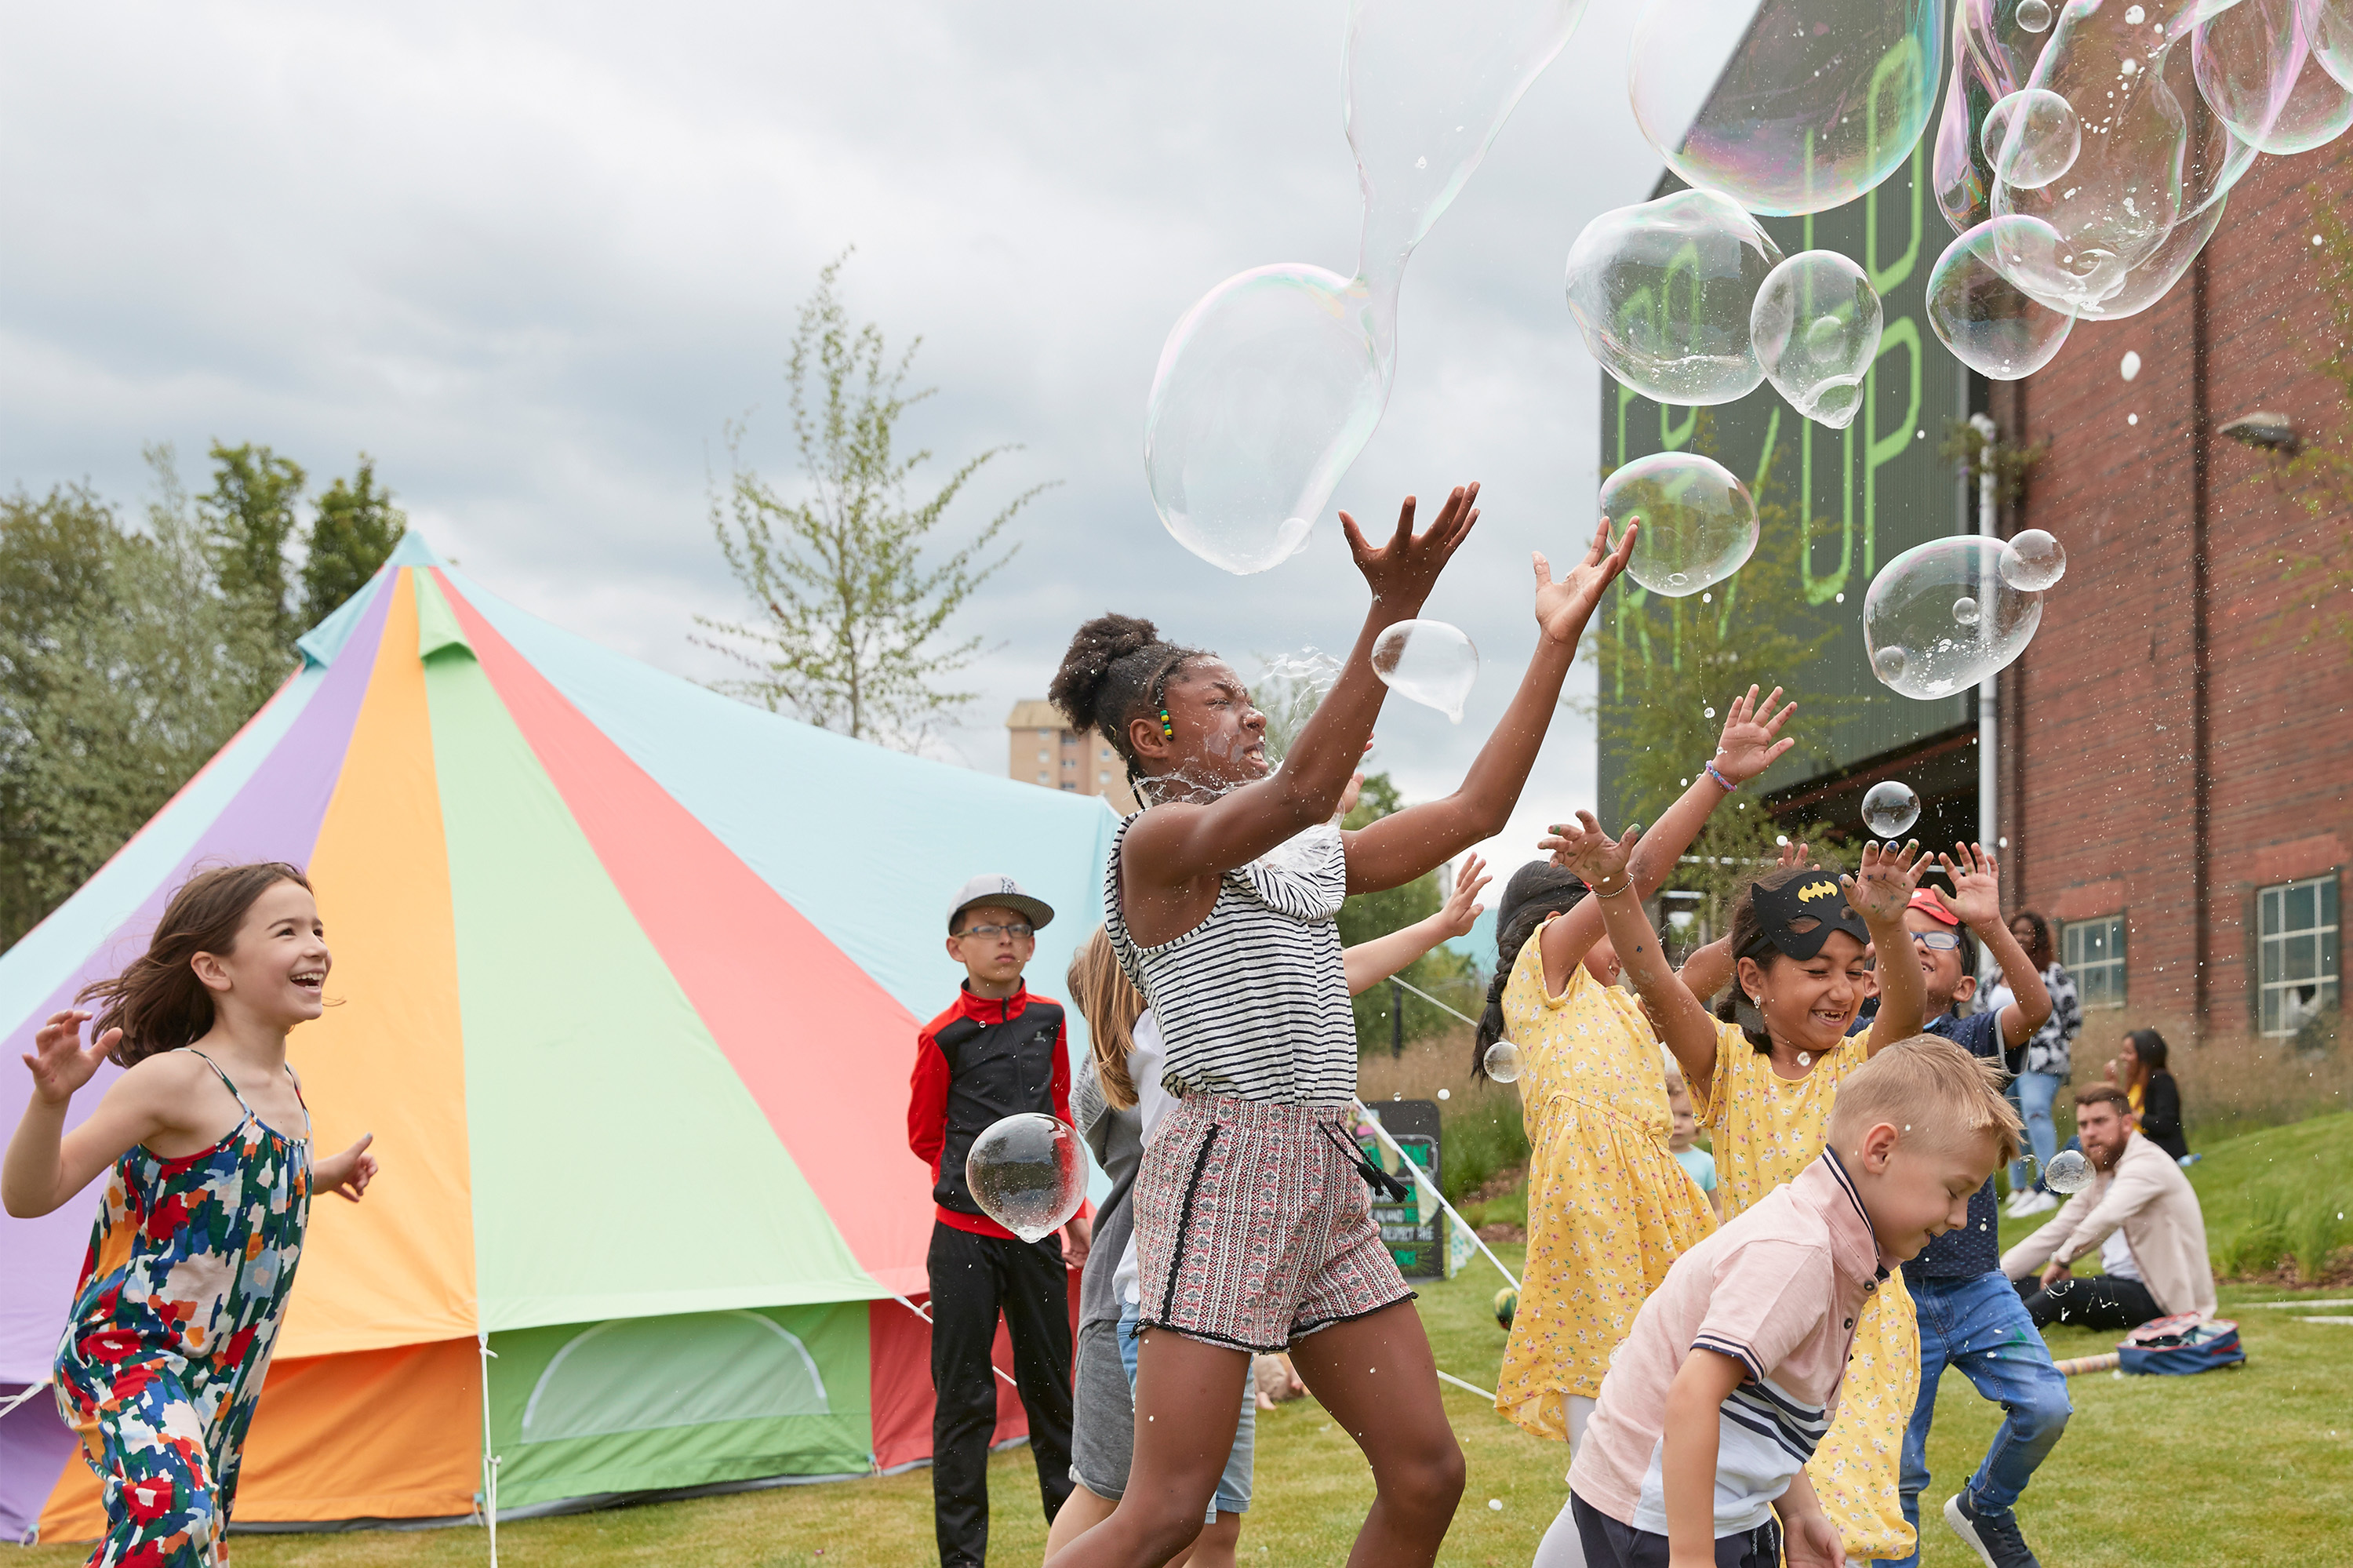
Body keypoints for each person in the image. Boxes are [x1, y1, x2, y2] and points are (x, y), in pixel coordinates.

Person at [1042, 486, 1635, 1568]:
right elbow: (1310, 786)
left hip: (1325, 1159)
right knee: (1168, 1511)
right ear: (1152, 730)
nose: (1256, 711)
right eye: (1227, 699)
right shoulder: (1155, 845)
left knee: (1427, 1474)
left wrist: (1553, 642)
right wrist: (1392, 607)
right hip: (1221, 1169)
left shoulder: (1300, 849)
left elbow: (1472, 814)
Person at [1049, 861, 1491, 1567]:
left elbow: (1326, 976)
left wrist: (1437, 925)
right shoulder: (1165, 1040)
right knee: (1163, 1519)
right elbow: (1333, 972)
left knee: (1206, 1524)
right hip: (1175, 1296)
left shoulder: (1186, 1032)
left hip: (1248, 1277)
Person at [1548, 811, 1931, 1565]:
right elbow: (1655, 980)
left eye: (1855, 971)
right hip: (1748, 1320)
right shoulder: (1727, 1067)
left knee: (1841, 1526)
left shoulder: (1863, 1071)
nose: (1842, 990)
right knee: (1727, 1500)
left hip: (1849, 1336)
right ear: (1754, 980)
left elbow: (1910, 1014)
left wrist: (1890, 930)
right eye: (1818, 970)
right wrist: (1613, 886)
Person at [2, 864, 380, 1566]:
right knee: (178, 1516)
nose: (317, 946)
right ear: (214, 968)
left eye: (318, 929)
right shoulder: (176, 1079)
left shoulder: (286, 1089)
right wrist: (50, 1103)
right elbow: (31, 1194)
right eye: (287, 931)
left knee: (192, 1545)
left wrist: (323, 1175)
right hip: (127, 1351)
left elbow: (248, 1180)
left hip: (228, 1369)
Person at [1566, 1037, 2025, 1568]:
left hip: (1712, 1506)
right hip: (1663, 1519)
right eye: (1955, 1190)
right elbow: (1691, 1396)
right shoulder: (1797, 1253)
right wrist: (1692, 1556)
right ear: (1879, 1150)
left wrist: (1801, 1510)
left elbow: (1763, 1402)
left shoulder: (1835, 1249)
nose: (1961, 1218)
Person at [1479, 689, 1791, 1464]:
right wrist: (1716, 776)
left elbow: (1701, 970)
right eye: (1609, 923)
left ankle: (1627, 1522)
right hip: (1590, 1184)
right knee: (1614, 1371)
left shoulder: (1618, 1003)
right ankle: (1608, 1518)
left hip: (1651, 1180)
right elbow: (1638, 878)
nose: (1624, 942)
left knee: (1681, 1359)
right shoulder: (1545, 967)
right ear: (1560, 915)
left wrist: (1769, 915)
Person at [1882, 851, 2068, 1568]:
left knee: (2046, 1406)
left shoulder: (1972, 1042)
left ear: (1963, 982)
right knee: (1898, 1469)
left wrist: (1988, 924)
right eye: (1908, 937)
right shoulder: (1865, 1038)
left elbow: (2038, 1008)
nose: (1917, 944)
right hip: (1894, 1291)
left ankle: (1984, 1505)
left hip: (1976, 1284)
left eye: (1934, 938)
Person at [910, 875, 1092, 1568]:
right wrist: (981, 1191)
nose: (1008, 940)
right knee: (965, 1401)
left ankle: (1072, 1547)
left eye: (1019, 929)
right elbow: (925, 1137)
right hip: (961, 1241)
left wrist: (1069, 1208)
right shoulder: (942, 1037)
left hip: (1039, 1235)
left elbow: (1059, 1118)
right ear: (957, 947)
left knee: (1053, 1392)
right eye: (990, 929)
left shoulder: (1049, 1019)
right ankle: (963, 1560)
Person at [2004, 1084, 2217, 1330]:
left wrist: (2062, 1260)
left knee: (2067, 1292)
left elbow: (2106, 1218)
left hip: (2161, 1299)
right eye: (2083, 1125)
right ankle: (1982, 1312)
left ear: (2126, 1123)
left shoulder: (2147, 1163)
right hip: (2119, 1287)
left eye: (2100, 1121)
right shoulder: (2103, 1172)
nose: (2090, 1132)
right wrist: (1997, 1278)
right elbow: (2058, 1229)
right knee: (2013, 1287)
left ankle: (2003, 1335)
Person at [1984, 912, 2079, 1217]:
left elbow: (2072, 1018)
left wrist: (2051, 1041)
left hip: (2042, 1059)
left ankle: (2051, 1184)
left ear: (2039, 937)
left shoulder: (2052, 974)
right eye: (2017, 932)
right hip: (2000, 1061)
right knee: (2008, 1121)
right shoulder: (1992, 978)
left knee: (2036, 1111)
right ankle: (2019, 1189)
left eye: (2028, 932)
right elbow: (1978, 1015)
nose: (2022, 937)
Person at [2106, 1029, 2189, 1162]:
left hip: (2159, 1152)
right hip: (2138, 1148)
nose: (2122, 1057)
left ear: (2145, 1057)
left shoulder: (2161, 1080)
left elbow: (2165, 1125)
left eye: (2129, 1053)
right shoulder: (2135, 1084)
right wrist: (2113, 1086)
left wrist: (2133, 1115)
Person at [1668, 1069, 1724, 1221]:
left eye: (1685, 1115)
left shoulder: (1706, 1162)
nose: (1677, 1123)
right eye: (1670, 1114)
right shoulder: (1648, 1158)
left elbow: (1718, 1208)